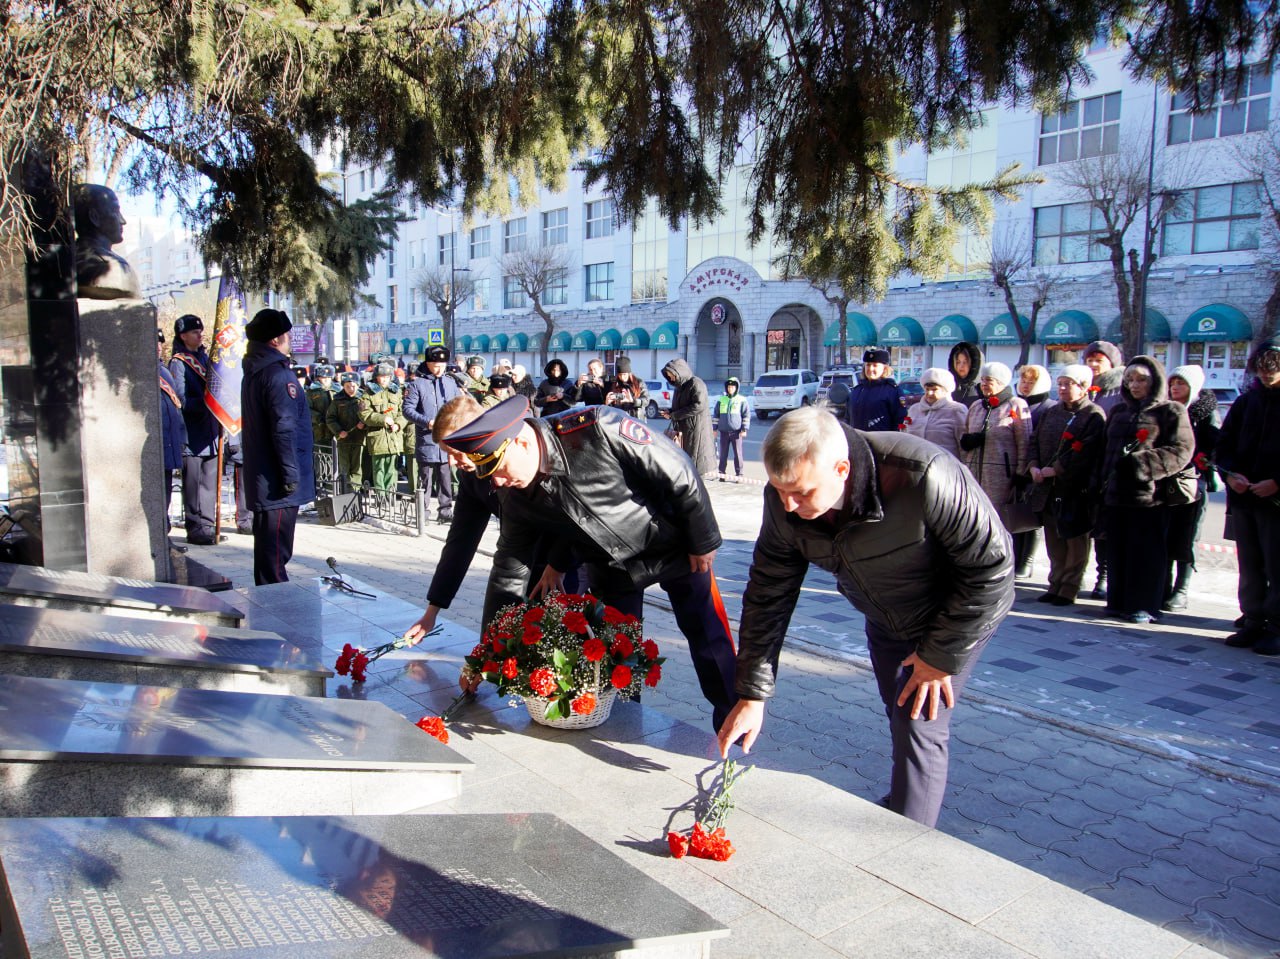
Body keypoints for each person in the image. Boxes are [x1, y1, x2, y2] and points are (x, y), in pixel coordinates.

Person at [716, 407, 1014, 827]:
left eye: (801, 492)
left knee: (918, 727)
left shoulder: (923, 475)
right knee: (899, 714)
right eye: (780, 490)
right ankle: (905, 800)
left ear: (842, 468)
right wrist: (752, 694)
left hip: (952, 613)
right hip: (884, 614)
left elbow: (994, 571)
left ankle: (906, 849)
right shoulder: (784, 499)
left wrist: (939, 658)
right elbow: (768, 594)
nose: (788, 503)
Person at [443, 396, 739, 731]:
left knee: (709, 640)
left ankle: (733, 725)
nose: (494, 482)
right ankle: (628, 729)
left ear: (522, 442)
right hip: (611, 569)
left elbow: (678, 470)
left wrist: (703, 539)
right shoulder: (515, 494)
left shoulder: (598, 427)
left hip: (674, 546)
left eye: (497, 468)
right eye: (486, 472)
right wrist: (486, 654)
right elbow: (509, 572)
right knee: (618, 659)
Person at [402, 394, 581, 643]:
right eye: (447, 454)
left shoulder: (515, 454)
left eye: (456, 452)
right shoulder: (471, 477)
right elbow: (461, 540)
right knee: (510, 636)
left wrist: (558, 564)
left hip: (564, 554)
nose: (453, 463)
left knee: (557, 639)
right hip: (516, 555)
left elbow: (573, 512)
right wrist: (432, 612)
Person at [1097, 356, 1193, 624]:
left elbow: (1182, 450)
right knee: (1118, 551)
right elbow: (1104, 450)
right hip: (1115, 495)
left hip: (1150, 497)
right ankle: (1118, 601)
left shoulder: (1170, 411)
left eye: (1140, 380)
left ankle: (1146, 605)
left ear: (1154, 381)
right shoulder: (1118, 411)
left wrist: (1142, 465)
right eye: (1129, 380)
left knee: (1147, 554)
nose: (1134, 385)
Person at [240, 308, 314, 585]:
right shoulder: (277, 375)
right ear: (275, 340)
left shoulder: (257, 370)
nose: (290, 339)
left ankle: (271, 603)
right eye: (287, 335)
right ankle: (277, 612)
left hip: (267, 477)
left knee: (269, 554)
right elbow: (283, 429)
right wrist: (290, 475)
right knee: (274, 556)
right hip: (276, 483)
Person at [1217, 336, 1280, 654]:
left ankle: (1276, 626)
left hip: (1275, 501)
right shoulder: (1246, 402)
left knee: (1277, 565)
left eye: (1274, 371)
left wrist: (1278, 482)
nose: (1267, 376)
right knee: (1250, 565)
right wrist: (1230, 475)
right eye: (1263, 371)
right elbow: (1224, 446)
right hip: (1245, 498)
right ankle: (1253, 620)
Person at [1027, 365, 1106, 606]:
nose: (1061, 388)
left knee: (1075, 539)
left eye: (1067, 384)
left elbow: (1089, 451)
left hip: (1074, 489)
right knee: (1053, 538)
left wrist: (1058, 469)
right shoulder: (1052, 412)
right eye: (1060, 383)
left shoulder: (1093, 414)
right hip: (1047, 486)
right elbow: (1035, 441)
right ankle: (1055, 582)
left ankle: (1070, 586)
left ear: (1083, 387)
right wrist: (1033, 465)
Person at [1163, 365, 1219, 611]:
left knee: (1188, 535)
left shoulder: (1204, 412)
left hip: (1194, 481)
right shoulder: (1166, 410)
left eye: (1181, 384)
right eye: (1172, 383)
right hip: (1166, 479)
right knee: (1165, 534)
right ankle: (1162, 585)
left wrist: (1202, 460)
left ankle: (1181, 589)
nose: (1175, 388)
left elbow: (1214, 445)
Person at [959, 362, 1031, 538]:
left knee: (997, 521)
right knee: (974, 517)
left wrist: (1021, 473)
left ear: (1001, 382)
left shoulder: (1016, 405)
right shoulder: (976, 406)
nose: (984, 384)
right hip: (974, 473)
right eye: (982, 380)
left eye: (989, 380)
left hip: (1001, 475)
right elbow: (964, 432)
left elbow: (1024, 441)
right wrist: (968, 443)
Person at [168, 313, 223, 545]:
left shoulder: (205, 358)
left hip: (210, 431)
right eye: (194, 332)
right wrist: (209, 403)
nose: (200, 335)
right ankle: (195, 526)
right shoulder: (179, 363)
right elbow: (180, 399)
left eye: (200, 331)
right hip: (192, 433)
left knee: (209, 482)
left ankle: (208, 525)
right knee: (193, 484)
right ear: (183, 335)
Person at [402, 346, 462, 521]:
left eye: (442, 365)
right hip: (426, 438)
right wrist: (426, 422)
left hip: (446, 439)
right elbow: (407, 410)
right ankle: (423, 511)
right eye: (436, 365)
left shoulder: (450, 383)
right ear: (428, 364)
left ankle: (445, 510)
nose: (440, 369)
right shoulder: (417, 384)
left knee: (445, 476)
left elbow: (458, 405)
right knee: (425, 477)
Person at [1011, 363, 1056, 577]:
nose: (1026, 386)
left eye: (1031, 382)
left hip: (1036, 467)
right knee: (1015, 512)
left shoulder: (1047, 407)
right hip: (1016, 465)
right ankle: (1014, 556)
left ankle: (1026, 560)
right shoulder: (1016, 403)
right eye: (1024, 381)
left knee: (1030, 515)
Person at [663, 358, 715, 476]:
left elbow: (699, 405)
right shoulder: (678, 387)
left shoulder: (696, 383)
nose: (670, 378)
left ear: (679, 372)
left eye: (671, 375)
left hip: (696, 431)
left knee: (695, 468)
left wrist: (675, 414)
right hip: (683, 432)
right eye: (668, 376)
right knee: (685, 467)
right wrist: (670, 412)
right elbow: (680, 406)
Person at [360, 362, 407, 492]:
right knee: (379, 468)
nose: (384, 379)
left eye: (387, 376)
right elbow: (364, 413)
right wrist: (382, 419)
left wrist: (398, 424)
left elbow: (403, 412)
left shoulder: (396, 392)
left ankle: (391, 494)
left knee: (392, 468)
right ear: (376, 377)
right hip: (378, 437)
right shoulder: (368, 393)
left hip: (394, 437)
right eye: (382, 376)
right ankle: (381, 496)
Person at [156, 331, 186, 526]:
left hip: (168, 441)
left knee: (165, 492)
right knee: (156, 493)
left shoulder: (163, 371)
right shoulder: (144, 372)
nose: (159, 347)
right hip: (156, 443)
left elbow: (176, 406)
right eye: (154, 343)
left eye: (160, 343)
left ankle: (164, 530)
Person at [903, 367, 966, 457]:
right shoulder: (914, 410)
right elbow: (905, 437)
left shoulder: (956, 410)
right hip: (917, 465)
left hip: (946, 466)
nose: (929, 393)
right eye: (927, 389)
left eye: (934, 389)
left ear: (945, 390)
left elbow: (963, 445)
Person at [846, 348, 906, 431]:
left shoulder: (893, 391)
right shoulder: (856, 391)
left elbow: (900, 421)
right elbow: (848, 419)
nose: (870, 369)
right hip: (858, 440)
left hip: (882, 442)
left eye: (875, 365)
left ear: (884, 368)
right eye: (868, 365)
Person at [327, 372, 366, 490]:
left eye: (353, 386)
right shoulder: (337, 400)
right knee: (344, 468)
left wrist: (363, 425)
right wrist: (338, 431)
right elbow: (330, 418)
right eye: (347, 386)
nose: (351, 389)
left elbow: (369, 415)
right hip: (344, 439)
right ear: (343, 386)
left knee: (357, 467)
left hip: (359, 438)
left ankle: (355, 492)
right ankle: (345, 492)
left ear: (358, 385)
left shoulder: (363, 398)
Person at [714, 377, 751, 479]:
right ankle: (721, 473)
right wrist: (714, 429)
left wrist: (744, 429)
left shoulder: (741, 400)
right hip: (724, 432)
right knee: (723, 454)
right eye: (729, 387)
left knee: (738, 454)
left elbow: (746, 416)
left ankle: (739, 474)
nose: (730, 389)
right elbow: (716, 415)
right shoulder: (722, 400)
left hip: (736, 432)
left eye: (732, 387)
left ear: (736, 388)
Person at [308, 363, 338, 449]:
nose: (326, 380)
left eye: (328, 377)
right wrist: (319, 418)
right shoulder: (311, 392)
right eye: (323, 377)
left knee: (336, 456)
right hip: (319, 430)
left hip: (335, 429)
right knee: (320, 455)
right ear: (318, 378)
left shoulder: (338, 390)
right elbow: (307, 409)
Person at [947, 341, 984, 407]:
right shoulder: (948, 388)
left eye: (965, 362)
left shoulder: (982, 391)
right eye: (958, 362)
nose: (961, 366)